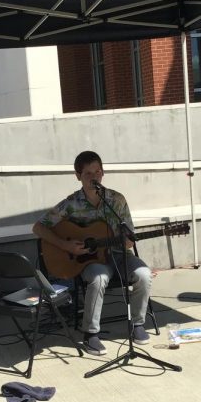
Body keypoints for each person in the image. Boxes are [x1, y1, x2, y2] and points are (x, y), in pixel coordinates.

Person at [32, 150, 152, 356]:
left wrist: (128, 241)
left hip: (117, 254)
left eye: (97, 171)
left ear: (103, 173)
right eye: (88, 173)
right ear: (78, 176)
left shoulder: (117, 200)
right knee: (99, 278)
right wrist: (65, 245)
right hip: (89, 261)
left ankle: (138, 324)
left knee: (144, 275)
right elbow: (38, 228)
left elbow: (129, 240)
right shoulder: (71, 204)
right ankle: (90, 333)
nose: (94, 177)